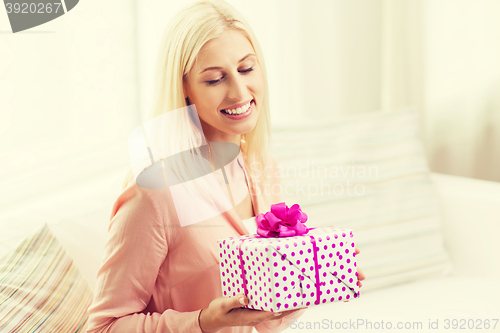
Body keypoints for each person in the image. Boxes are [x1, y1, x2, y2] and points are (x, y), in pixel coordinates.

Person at [85, 1, 365, 332]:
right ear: (185, 89)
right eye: (216, 79)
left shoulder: (262, 168)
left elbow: (261, 321)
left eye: (246, 70)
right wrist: (204, 322)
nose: (239, 91)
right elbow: (103, 327)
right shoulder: (156, 191)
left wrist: (305, 285)